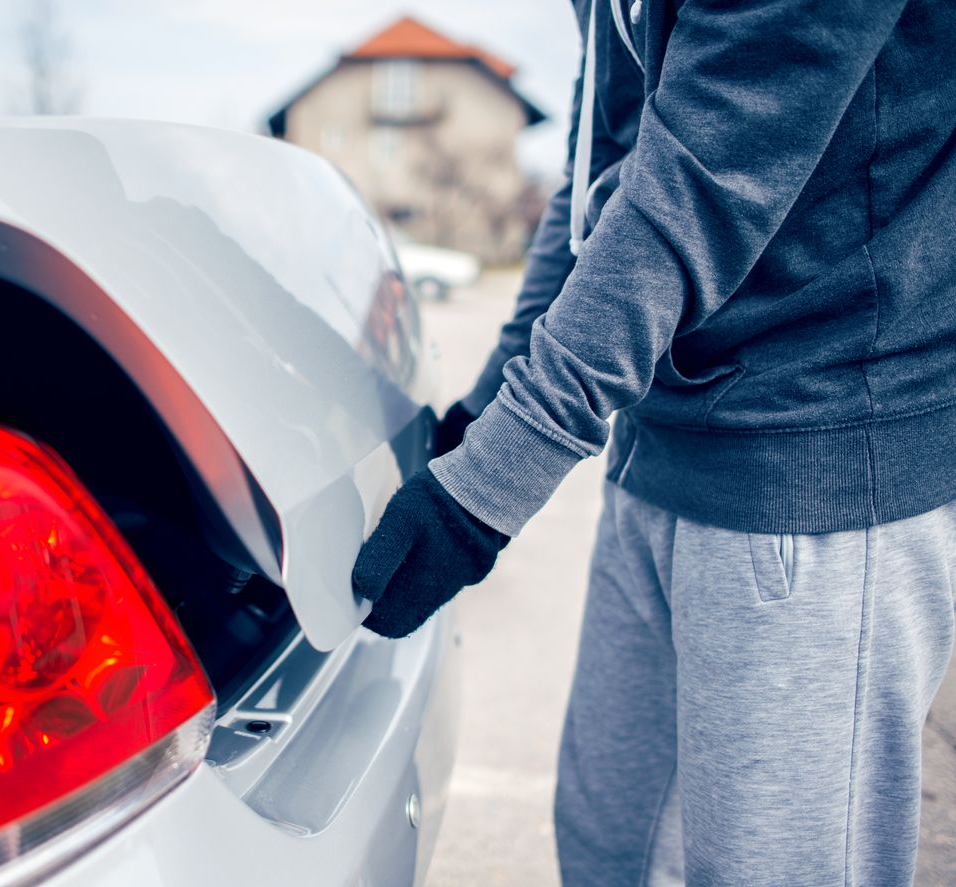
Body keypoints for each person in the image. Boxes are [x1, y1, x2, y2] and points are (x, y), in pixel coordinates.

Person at [352, 0, 956, 884]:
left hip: (814, 456)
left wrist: (489, 487)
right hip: (656, 449)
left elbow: (693, 186)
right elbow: (605, 172)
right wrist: (489, 406)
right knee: (607, 851)